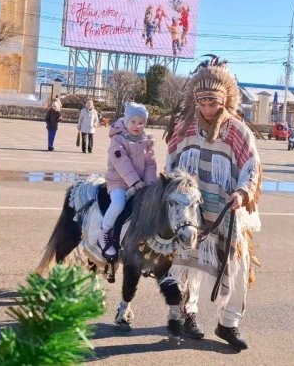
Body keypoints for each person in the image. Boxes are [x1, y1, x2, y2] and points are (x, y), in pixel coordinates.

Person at [163, 55, 261, 350]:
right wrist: (173, 189)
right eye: (202, 103)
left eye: (213, 103)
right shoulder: (184, 128)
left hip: (226, 209)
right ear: (195, 100)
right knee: (187, 264)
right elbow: (170, 162)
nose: (208, 108)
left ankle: (228, 323)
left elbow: (252, 166)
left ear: (226, 99)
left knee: (239, 265)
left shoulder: (238, 131)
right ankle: (187, 313)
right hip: (190, 210)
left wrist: (243, 192)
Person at [98, 102, 157, 258]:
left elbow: (150, 163)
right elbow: (121, 163)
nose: (137, 126)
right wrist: (135, 182)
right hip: (119, 182)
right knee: (118, 203)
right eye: (133, 121)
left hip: (141, 183)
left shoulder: (146, 140)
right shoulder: (118, 140)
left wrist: (150, 183)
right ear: (125, 120)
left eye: (141, 123)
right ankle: (104, 231)